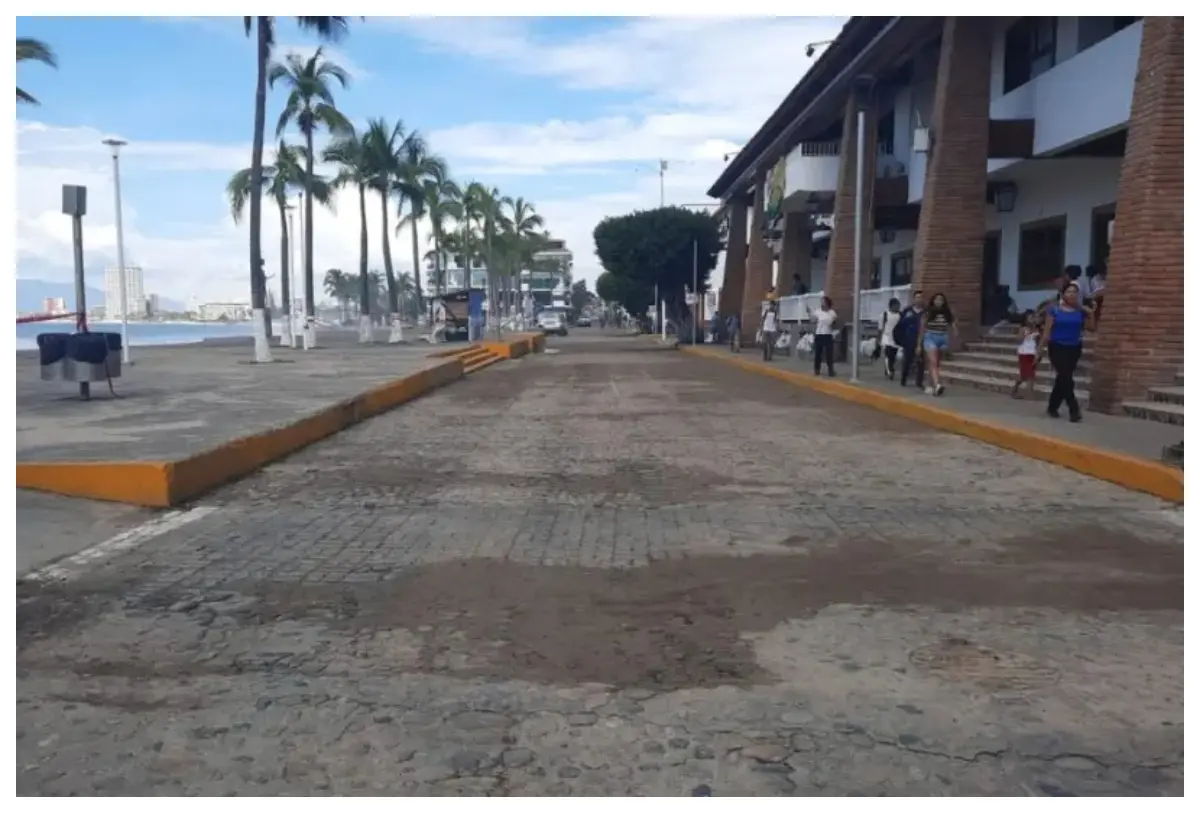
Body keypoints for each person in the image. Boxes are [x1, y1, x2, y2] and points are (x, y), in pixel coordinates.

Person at [1036, 281, 1095, 422]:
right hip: (1057, 347)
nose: (1072, 294)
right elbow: (1046, 332)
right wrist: (1039, 351)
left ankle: (1052, 406)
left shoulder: (1081, 311)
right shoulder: (1054, 310)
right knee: (1066, 377)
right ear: (1063, 294)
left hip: (1074, 348)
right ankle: (1074, 409)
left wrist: (1090, 314)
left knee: (1063, 378)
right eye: (1069, 291)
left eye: (1075, 292)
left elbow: (1091, 328)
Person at [918, 292, 957, 397]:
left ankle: (931, 385)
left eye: (941, 300)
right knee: (933, 362)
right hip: (930, 337)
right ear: (933, 301)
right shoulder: (928, 312)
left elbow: (952, 325)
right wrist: (918, 345)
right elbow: (922, 329)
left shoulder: (947, 313)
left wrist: (954, 332)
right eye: (936, 300)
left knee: (935, 364)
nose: (938, 302)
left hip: (942, 338)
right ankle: (937, 384)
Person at [895, 290, 926, 388]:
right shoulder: (907, 311)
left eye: (920, 297)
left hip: (921, 340)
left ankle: (919, 382)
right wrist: (901, 340)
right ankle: (904, 379)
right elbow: (900, 326)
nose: (919, 299)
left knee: (921, 361)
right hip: (909, 339)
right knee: (907, 360)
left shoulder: (926, 312)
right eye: (917, 297)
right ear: (914, 299)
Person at [1010, 310, 1039, 399]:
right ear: (1025, 320)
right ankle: (1030, 395)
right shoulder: (1023, 329)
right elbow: (1019, 340)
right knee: (1028, 374)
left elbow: (1037, 343)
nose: (1033, 320)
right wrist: (1025, 335)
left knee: (1028, 375)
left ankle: (1015, 389)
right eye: (1030, 318)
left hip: (1032, 353)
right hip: (1024, 353)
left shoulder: (1036, 329)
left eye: (1034, 317)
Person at [811, 296, 838, 376]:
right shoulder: (818, 311)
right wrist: (809, 313)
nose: (822, 303)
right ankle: (817, 369)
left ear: (827, 303)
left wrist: (834, 328)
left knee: (829, 354)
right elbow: (813, 321)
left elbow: (834, 323)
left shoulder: (832, 313)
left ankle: (831, 371)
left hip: (828, 335)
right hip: (819, 334)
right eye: (821, 302)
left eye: (823, 301)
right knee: (818, 353)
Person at [878, 298, 902, 379]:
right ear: (891, 306)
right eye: (897, 306)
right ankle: (890, 371)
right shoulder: (885, 314)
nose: (898, 307)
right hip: (886, 337)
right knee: (888, 354)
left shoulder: (900, 315)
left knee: (893, 356)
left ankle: (888, 368)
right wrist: (879, 339)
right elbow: (880, 328)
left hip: (895, 339)